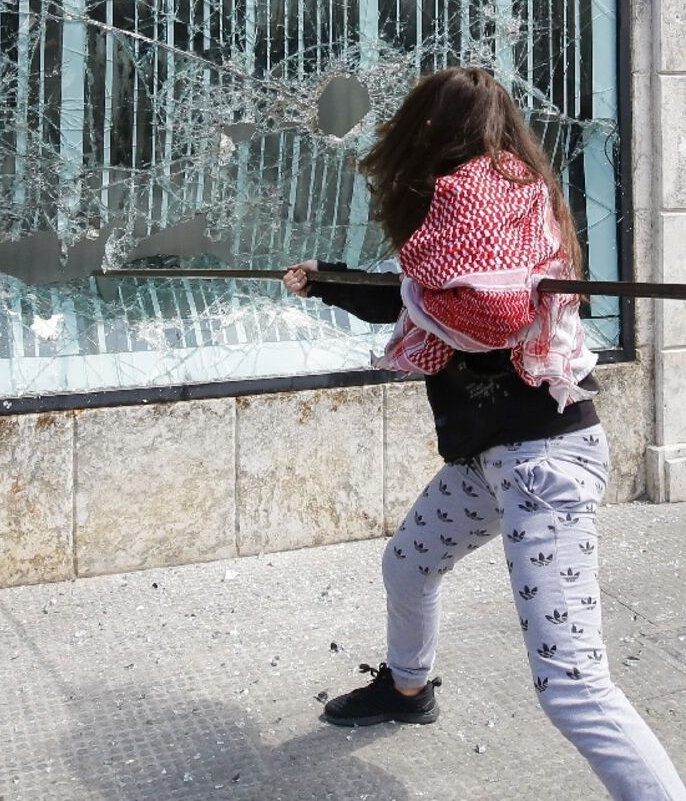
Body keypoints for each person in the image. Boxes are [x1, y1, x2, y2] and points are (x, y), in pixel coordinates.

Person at [283, 66, 686, 801]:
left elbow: (482, 314)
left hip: (544, 465)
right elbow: (419, 300)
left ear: (434, 133)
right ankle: (408, 691)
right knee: (407, 564)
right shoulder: (474, 225)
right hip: (489, 462)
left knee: (573, 687)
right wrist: (330, 279)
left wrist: (361, 281)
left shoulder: (495, 202)